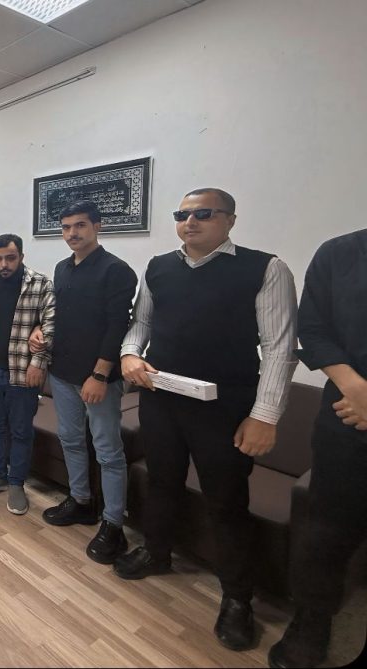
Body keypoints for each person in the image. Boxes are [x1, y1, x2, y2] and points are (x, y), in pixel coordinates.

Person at [116, 188, 298, 652]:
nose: (190, 221)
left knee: (226, 501)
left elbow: (279, 347)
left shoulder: (265, 268)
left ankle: (237, 597)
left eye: (203, 213)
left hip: (225, 407)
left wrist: (265, 415)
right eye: (182, 214)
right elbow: (142, 323)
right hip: (162, 398)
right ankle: (157, 552)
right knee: (162, 482)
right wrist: (130, 354)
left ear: (230, 220)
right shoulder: (159, 267)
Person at [268, 228, 367, 668]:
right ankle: (312, 619)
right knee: (327, 531)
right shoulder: (341, 253)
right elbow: (313, 327)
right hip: (348, 413)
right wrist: (356, 388)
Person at [31, 200, 137, 564]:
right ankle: (80, 501)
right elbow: (57, 315)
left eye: (80, 225)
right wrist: (40, 330)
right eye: (66, 227)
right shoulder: (62, 269)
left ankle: (113, 524)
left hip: (98, 379)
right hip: (62, 372)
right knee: (71, 439)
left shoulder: (116, 270)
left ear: (97, 226)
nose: (72, 233)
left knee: (108, 451)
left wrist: (100, 374)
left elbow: (117, 327)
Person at [0, 233, 54, 515]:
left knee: (20, 430)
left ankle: (17, 482)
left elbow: (50, 327)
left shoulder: (40, 284)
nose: (3, 264)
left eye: (10, 258)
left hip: (23, 373)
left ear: (21, 257)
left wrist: (38, 362)